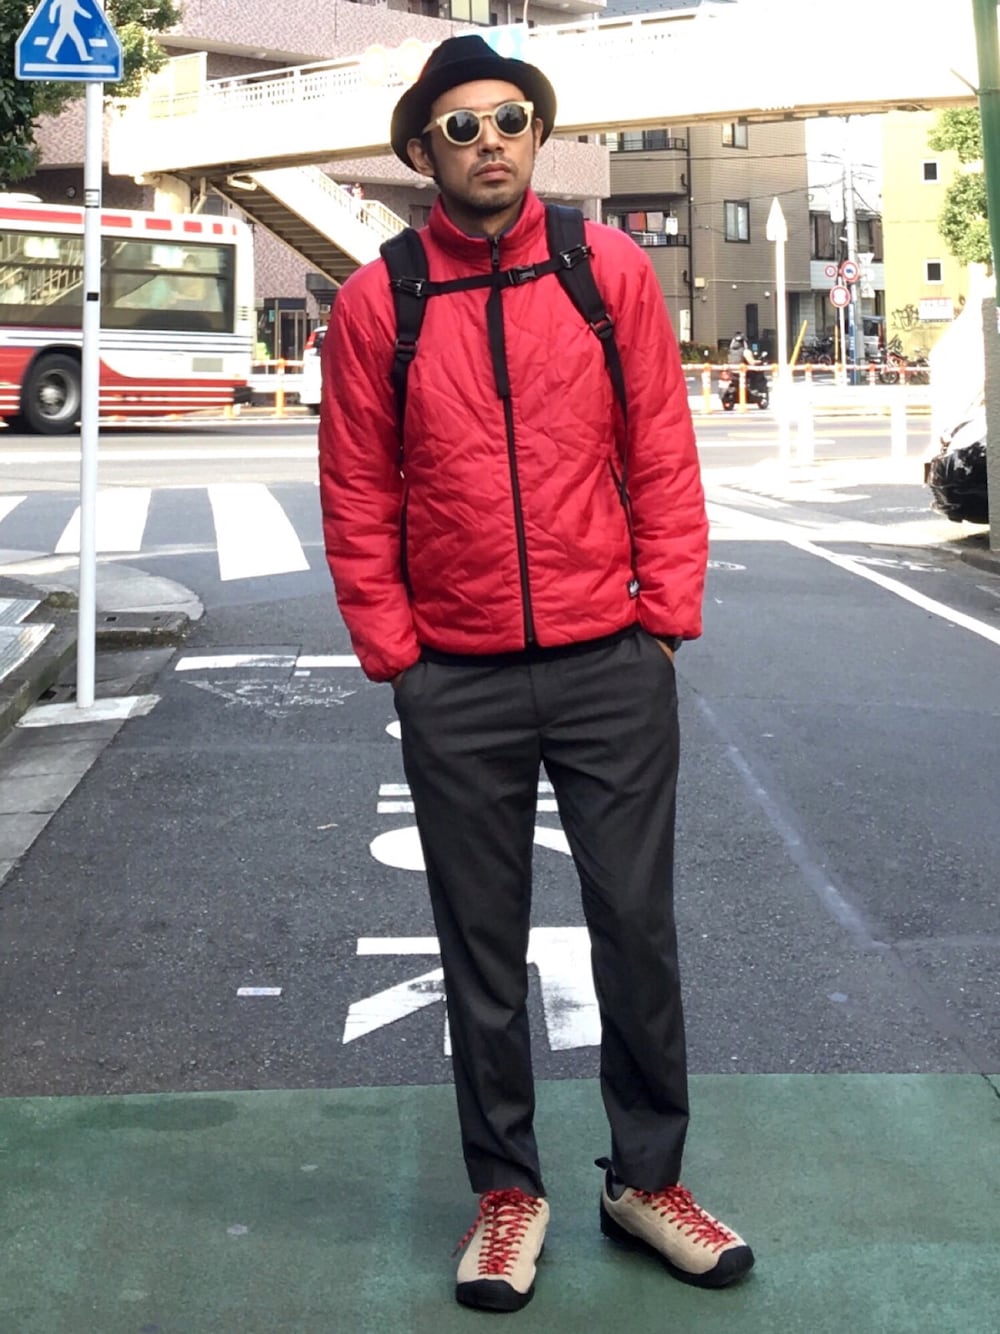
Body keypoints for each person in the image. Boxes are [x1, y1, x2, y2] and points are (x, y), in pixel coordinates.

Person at [318, 34, 755, 1314]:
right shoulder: (380, 300)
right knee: (480, 950)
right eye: (461, 127)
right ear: (423, 152)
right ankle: (507, 1190)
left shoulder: (602, 266)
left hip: (607, 660)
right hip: (454, 677)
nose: (490, 142)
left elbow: (660, 446)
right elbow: (356, 485)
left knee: (636, 929)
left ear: (537, 133)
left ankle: (646, 1180)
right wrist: (397, 653)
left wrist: (662, 620)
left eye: (509, 118)